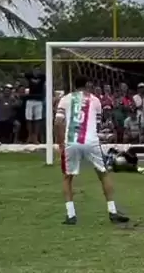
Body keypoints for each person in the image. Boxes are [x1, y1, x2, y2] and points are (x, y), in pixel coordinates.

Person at [54, 75, 130, 226]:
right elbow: (97, 123)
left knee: (67, 177)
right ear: (87, 85)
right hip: (91, 141)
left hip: (72, 141)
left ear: (74, 85)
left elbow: (58, 122)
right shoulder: (95, 100)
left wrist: (60, 143)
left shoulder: (65, 99)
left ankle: (71, 215)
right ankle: (112, 211)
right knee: (103, 174)